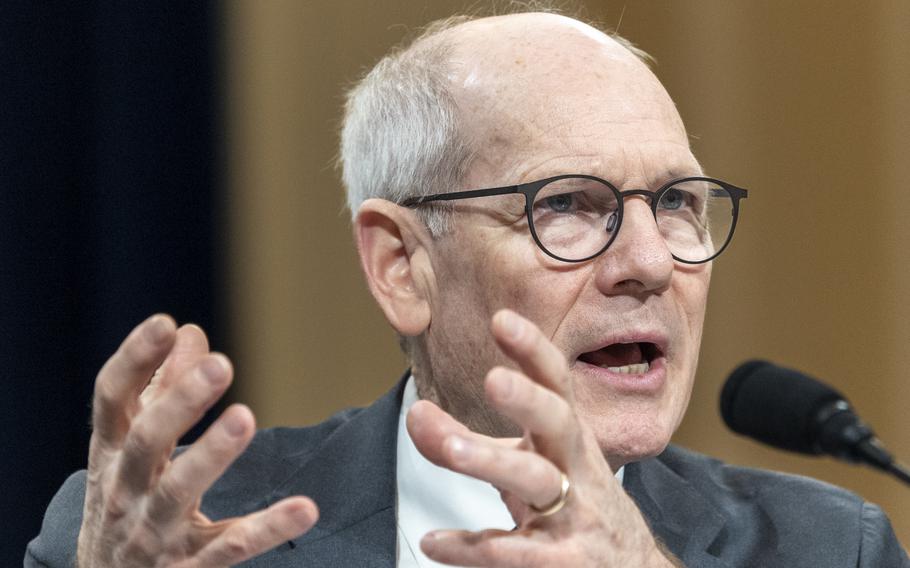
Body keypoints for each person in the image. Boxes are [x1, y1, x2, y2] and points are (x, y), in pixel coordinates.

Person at [27, 10, 908, 568]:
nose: (648, 260)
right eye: (567, 204)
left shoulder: (831, 547)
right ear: (402, 267)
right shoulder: (161, 536)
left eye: (675, 201)